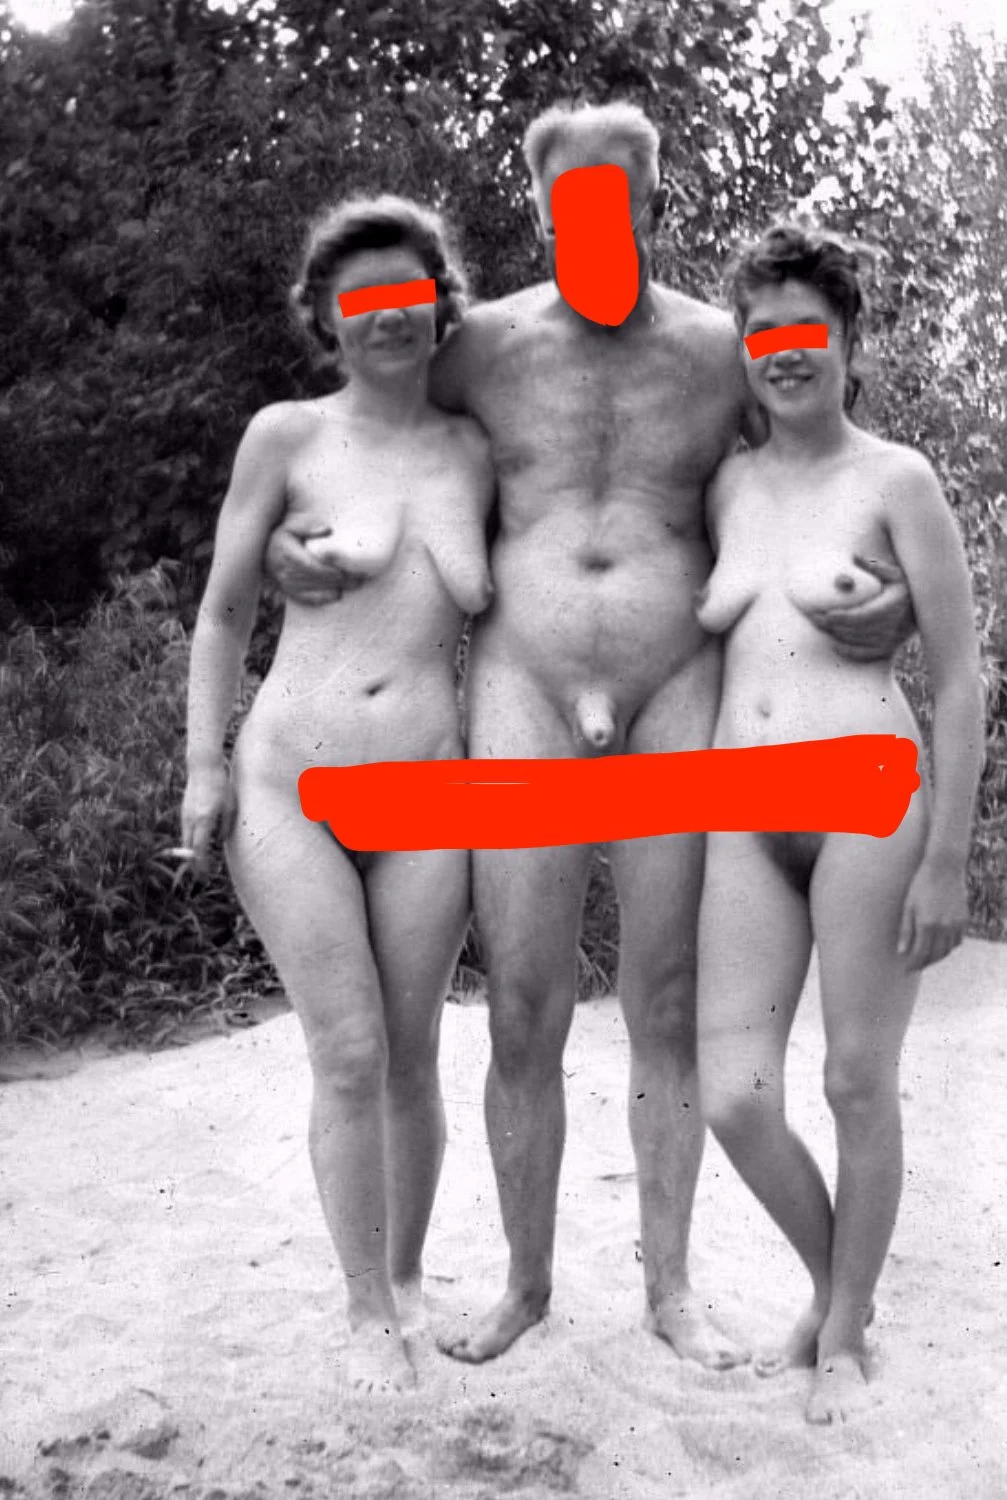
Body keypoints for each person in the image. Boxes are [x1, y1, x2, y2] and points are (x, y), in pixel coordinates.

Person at [267, 102, 916, 1369]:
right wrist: (295, 538)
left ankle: (670, 1288)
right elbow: (365, 427)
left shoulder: (724, 349)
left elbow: (831, 463)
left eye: (617, 200)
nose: (594, 224)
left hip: (679, 689)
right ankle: (525, 1283)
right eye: (570, 204)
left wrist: (890, 596)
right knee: (523, 1004)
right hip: (525, 687)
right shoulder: (483, 348)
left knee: (664, 1000)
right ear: (540, 212)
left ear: (654, 205)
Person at [181, 194, 494, 1392]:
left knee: (414, 1052)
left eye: (408, 291)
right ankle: (365, 1313)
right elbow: (222, 612)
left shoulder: (476, 448)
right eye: (360, 299)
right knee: (350, 1050)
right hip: (290, 783)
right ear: (325, 317)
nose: (387, 315)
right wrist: (203, 766)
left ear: (439, 302)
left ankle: (405, 1283)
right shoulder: (286, 436)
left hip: (430, 790)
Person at [695, 224, 985, 1423]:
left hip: (871, 799)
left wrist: (947, 860)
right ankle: (832, 1288)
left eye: (807, 329)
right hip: (741, 809)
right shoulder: (726, 483)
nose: (785, 350)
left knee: (859, 1080)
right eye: (761, 331)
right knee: (734, 1095)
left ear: (849, 341)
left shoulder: (896, 480)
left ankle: (848, 1332)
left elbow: (961, 676)